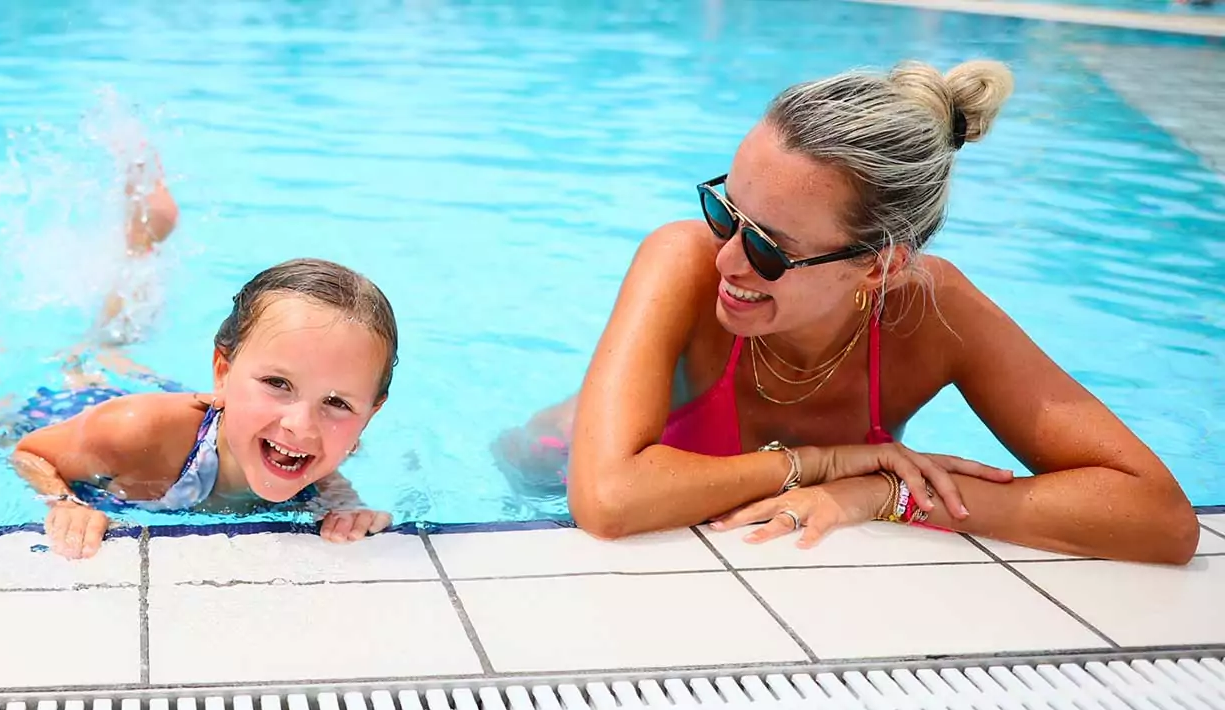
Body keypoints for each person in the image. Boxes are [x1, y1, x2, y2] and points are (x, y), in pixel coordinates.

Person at [501, 59, 1198, 564]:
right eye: (725, 209)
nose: (729, 261)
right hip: (551, 466)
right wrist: (826, 462)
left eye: (771, 249)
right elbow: (609, 499)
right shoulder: (681, 260)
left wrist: (881, 494)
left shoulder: (934, 310)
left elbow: (1158, 518)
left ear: (882, 264)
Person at [9, 255, 401, 559]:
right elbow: (29, 452)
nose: (301, 426)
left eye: (336, 403)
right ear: (223, 372)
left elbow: (326, 484)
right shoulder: (135, 431)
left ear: (369, 415)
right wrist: (64, 502)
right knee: (92, 358)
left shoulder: (316, 456)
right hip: (72, 404)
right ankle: (129, 277)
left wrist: (350, 512)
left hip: (222, 413)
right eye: (277, 383)